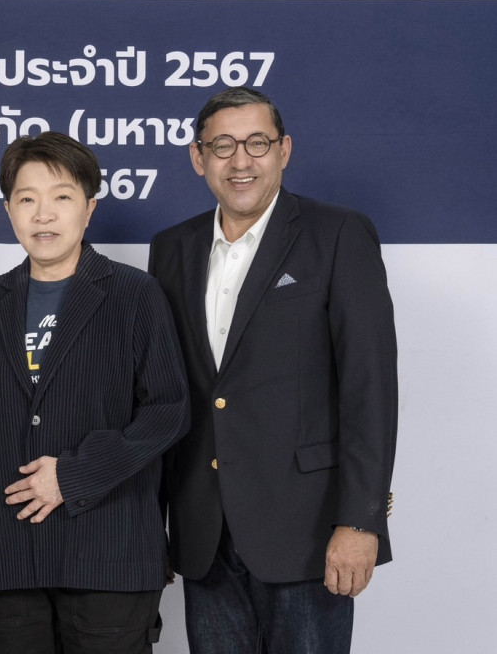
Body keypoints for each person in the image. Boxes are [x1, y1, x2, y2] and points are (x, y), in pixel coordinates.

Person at [148, 86, 398, 653]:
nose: (241, 161)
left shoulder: (338, 234)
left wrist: (361, 522)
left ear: (284, 150)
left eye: (257, 143)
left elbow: (370, 387)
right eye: (223, 146)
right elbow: (166, 396)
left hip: (307, 532)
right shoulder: (171, 248)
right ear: (198, 158)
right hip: (204, 532)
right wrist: (152, 527)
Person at [0, 131, 190, 654]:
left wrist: (74, 474)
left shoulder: (135, 294)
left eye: (61, 197)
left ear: (89, 208)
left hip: (110, 554)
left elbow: (169, 411)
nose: (44, 214)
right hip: (15, 556)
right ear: (9, 210)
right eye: (27, 199)